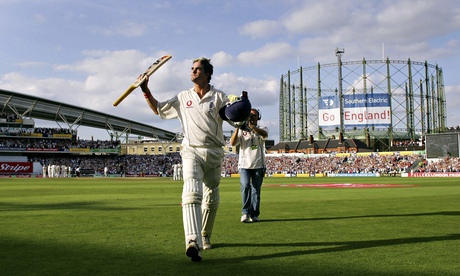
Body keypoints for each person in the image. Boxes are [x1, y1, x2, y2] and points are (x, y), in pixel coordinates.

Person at [140, 57, 234, 262]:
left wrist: (239, 108)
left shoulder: (219, 96)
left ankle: (205, 234)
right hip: (191, 150)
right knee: (191, 193)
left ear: (207, 74)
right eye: (192, 68)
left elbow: (233, 116)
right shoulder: (183, 97)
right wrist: (146, 90)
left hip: (215, 151)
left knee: (211, 197)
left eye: (198, 69)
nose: (193, 71)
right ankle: (192, 241)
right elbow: (158, 109)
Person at [230, 108, 268, 223]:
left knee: (256, 190)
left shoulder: (262, 129)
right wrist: (237, 127)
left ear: (258, 117)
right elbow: (232, 143)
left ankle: (254, 214)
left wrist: (253, 128)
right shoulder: (242, 130)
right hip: (244, 165)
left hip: (258, 164)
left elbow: (265, 135)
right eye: (249, 115)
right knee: (245, 186)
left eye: (254, 115)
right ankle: (245, 212)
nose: (251, 117)